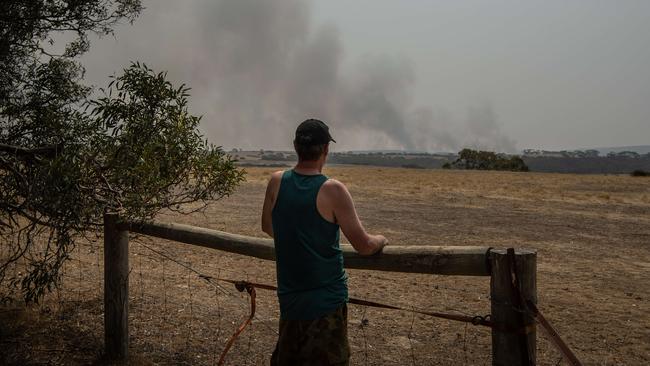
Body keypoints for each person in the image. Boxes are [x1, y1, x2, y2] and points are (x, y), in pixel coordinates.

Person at [261, 118, 388, 366]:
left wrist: (297, 236)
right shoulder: (333, 190)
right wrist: (381, 239)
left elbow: (268, 226)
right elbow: (364, 245)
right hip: (325, 305)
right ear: (326, 150)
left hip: (289, 302)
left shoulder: (277, 181)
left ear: (295, 146)